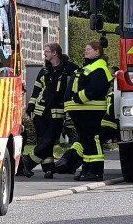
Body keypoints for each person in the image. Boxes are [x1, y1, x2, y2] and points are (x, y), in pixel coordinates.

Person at [20, 43, 77, 178]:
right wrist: (31, 105)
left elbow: (74, 87)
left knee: (49, 140)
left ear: (55, 53)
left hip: (57, 112)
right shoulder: (45, 70)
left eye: (46, 51)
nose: (44, 54)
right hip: (40, 112)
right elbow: (36, 89)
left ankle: (27, 162)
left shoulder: (69, 69)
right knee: (44, 142)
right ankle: (49, 168)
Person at [65, 41, 113, 181]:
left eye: (89, 49)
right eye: (85, 49)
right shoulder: (90, 66)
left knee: (93, 140)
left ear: (97, 51)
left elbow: (95, 89)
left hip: (90, 110)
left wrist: (78, 98)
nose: (85, 51)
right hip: (82, 110)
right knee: (86, 142)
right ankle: (87, 170)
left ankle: (96, 171)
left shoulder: (99, 68)